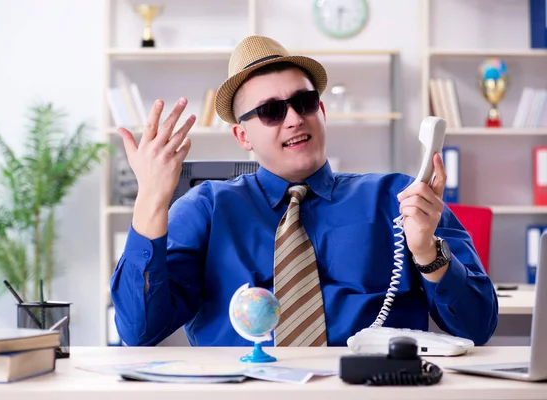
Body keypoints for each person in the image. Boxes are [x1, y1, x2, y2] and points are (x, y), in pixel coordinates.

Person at [110, 35, 498, 347]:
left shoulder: (401, 197)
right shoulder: (205, 208)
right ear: (242, 136)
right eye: (271, 112)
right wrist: (150, 202)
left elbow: (478, 326)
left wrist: (428, 252)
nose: (294, 119)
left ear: (322, 112)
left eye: (304, 102)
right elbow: (139, 331)